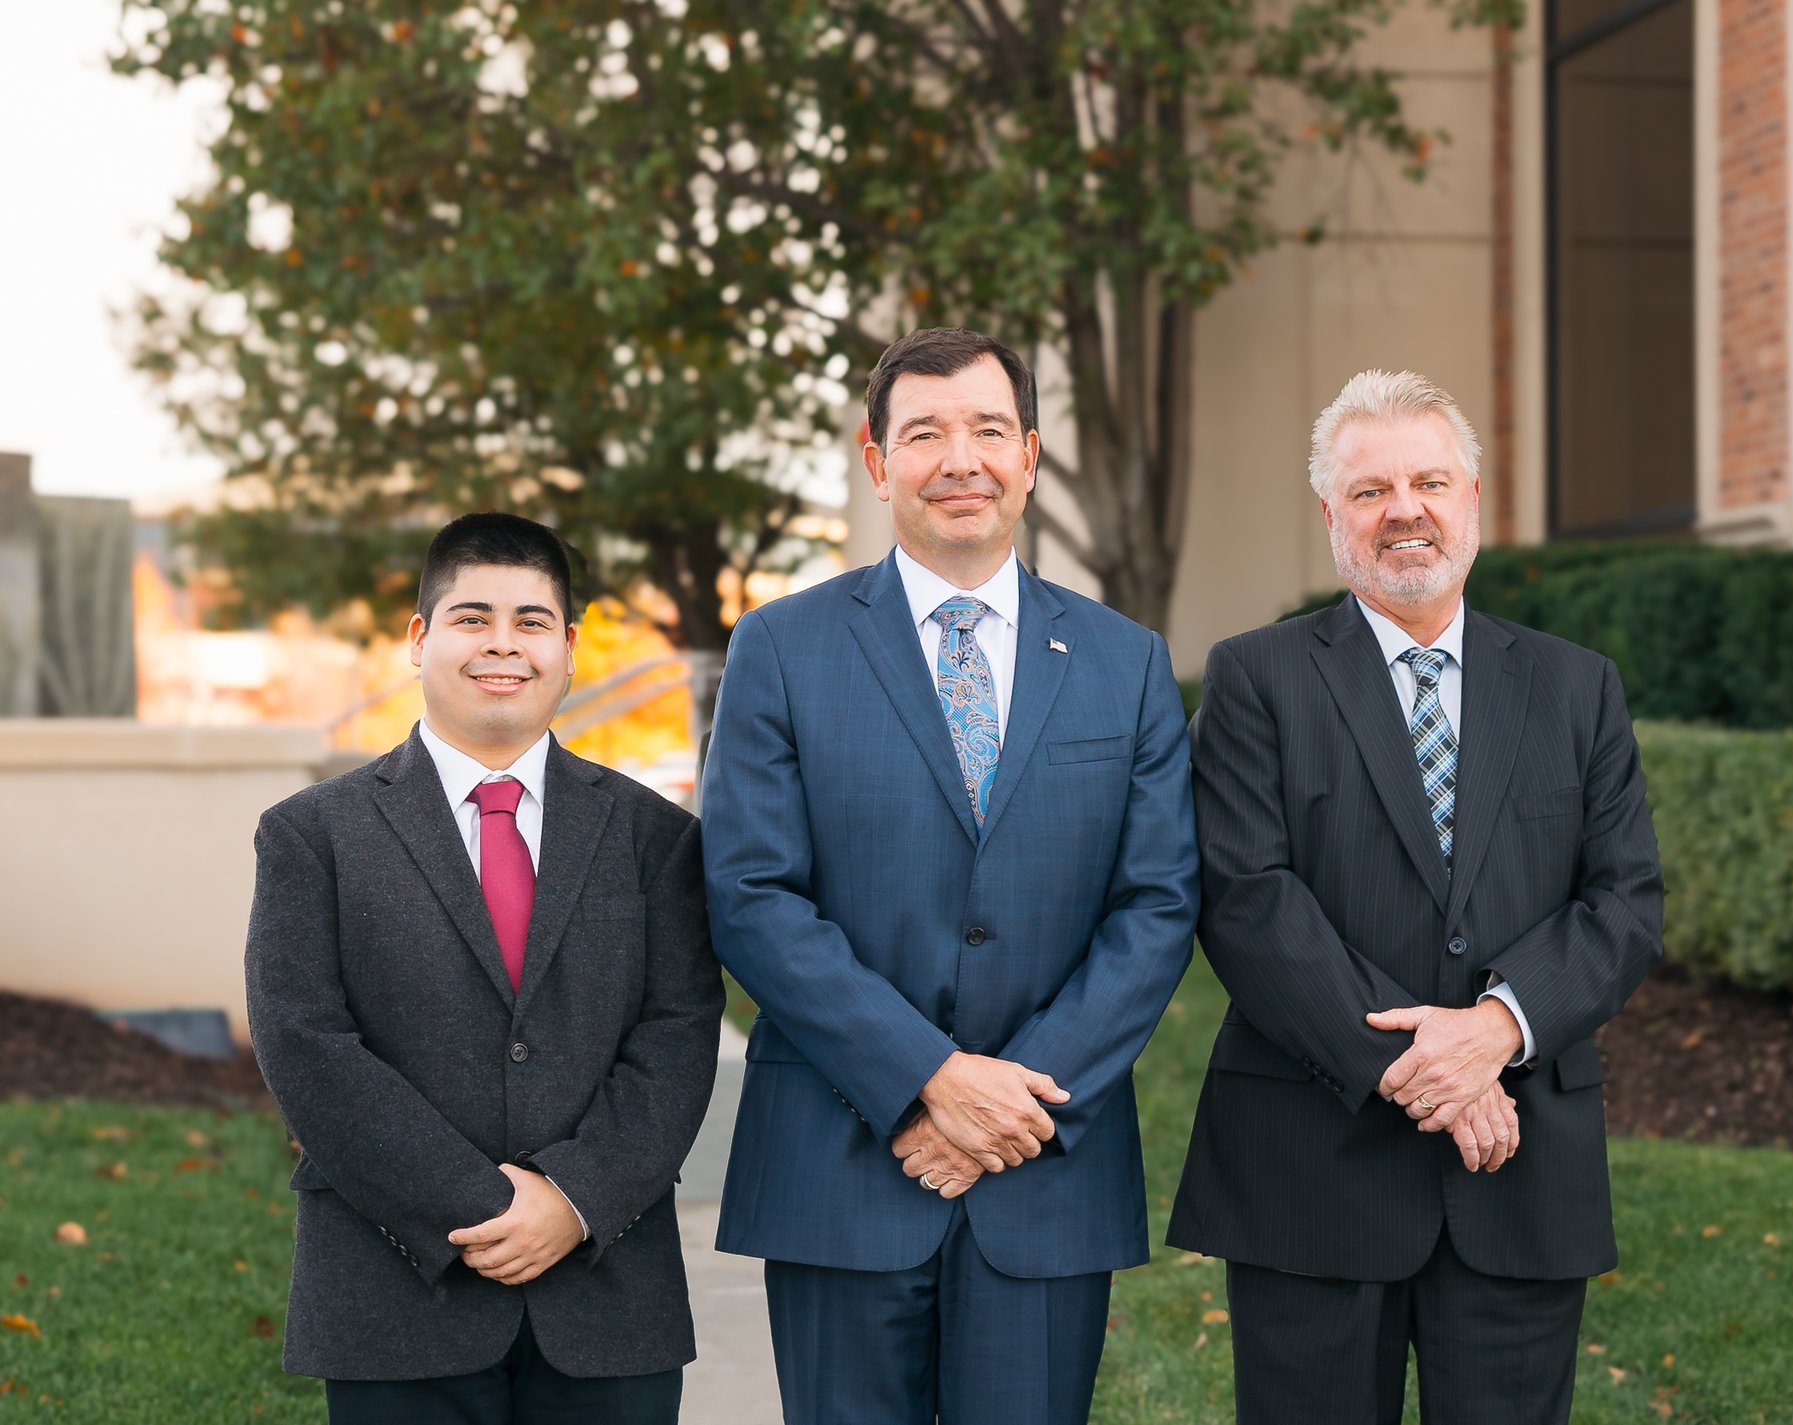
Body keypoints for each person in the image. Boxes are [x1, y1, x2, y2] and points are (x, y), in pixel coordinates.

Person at [699, 326, 1200, 1425]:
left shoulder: (1125, 662)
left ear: (1027, 454)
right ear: (877, 464)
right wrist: (928, 1077)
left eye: (984, 430)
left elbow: (1156, 905)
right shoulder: (781, 650)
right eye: (923, 434)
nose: (957, 459)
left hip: (1044, 1166)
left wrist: (1012, 1103)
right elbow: (750, 895)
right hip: (838, 1164)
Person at [1168, 370, 1664, 1424]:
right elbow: (1246, 898)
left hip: (1518, 1171)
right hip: (1308, 1169)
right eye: (1369, 490)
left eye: (1429, 481)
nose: (1404, 510)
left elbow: (1622, 902)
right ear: (1330, 517)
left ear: (1472, 498)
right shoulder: (1255, 679)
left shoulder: (1576, 689)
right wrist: (1424, 1064)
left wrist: (1494, 1029)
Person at [244, 512, 724, 1424]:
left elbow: (677, 1035)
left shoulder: (655, 838)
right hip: (395, 1297)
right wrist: (487, 1203)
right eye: (472, 618)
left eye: (532, 622)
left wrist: (573, 1199)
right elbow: (305, 1043)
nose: (503, 644)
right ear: (419, 638)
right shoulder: (315, 835)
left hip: (606, 1296)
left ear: (571, 648)